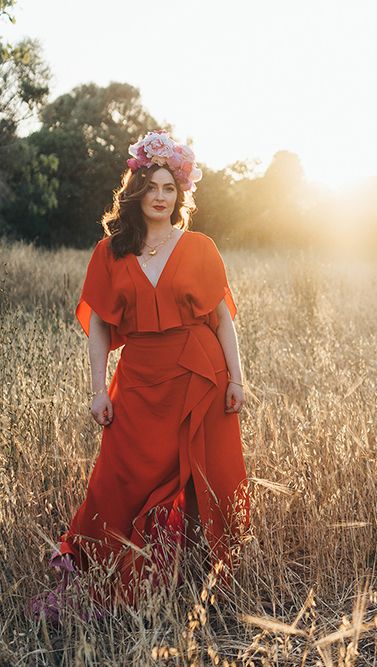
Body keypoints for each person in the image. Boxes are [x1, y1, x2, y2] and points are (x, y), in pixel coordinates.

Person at [36, 131, 250, 614]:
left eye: (169, 188)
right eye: (152, 187)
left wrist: (237, 379)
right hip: (137, 380)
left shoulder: (199, 247)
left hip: (201, 375)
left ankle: (200, 581)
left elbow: (222, 321)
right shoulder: (110, 252)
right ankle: (107, 571)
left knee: (203, 480)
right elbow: (99, 328)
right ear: (136, 191)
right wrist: (97, 389)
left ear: (181, 195)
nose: (160, 197)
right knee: (120, 476)